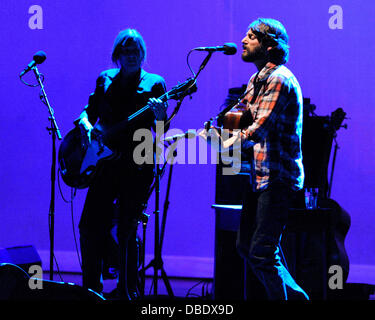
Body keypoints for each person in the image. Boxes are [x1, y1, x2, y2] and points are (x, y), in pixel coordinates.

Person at [202, 18, 309, 300]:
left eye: (251, 36)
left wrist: (227, 141)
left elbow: (259, 128)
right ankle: (298, 298)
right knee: (248, 245)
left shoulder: (279, 79)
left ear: (269, 45)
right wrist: (214, 133)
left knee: (261, 251)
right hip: (259, 177)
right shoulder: (256, 80)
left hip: (278, 178)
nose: (243, 40)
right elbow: (240, 121)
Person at [75, 28, 168, 299]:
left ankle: (128, 289)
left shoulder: (155, 83)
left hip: (136, 166)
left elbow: (160, 132)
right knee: (90, 225)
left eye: (135, 51)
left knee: (126, 229)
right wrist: (84, 123)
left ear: (142, 54)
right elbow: (88, 112)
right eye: (125, 51)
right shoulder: (105, 79)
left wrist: (161, 116)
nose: (130, 56)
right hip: (104, 163)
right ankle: (90, 288)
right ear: (118, 54)